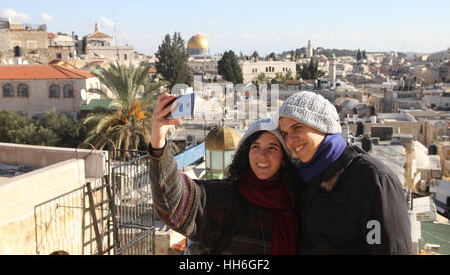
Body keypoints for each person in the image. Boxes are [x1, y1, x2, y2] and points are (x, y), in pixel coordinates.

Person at [148, 93, 301, 255]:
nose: (262, 155)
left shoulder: (297, 201)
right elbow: (175, 202)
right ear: (246, 153)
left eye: (272, 148)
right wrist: (158, 142)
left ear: (284, 158)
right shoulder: (225, 197)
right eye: (255, 147)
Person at [278, 91, 413, 255]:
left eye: (297, 128)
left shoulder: (371, 179)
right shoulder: (300, 177)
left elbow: (388, 248)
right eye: (285, 134)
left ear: (322, 125)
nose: (290, 140)